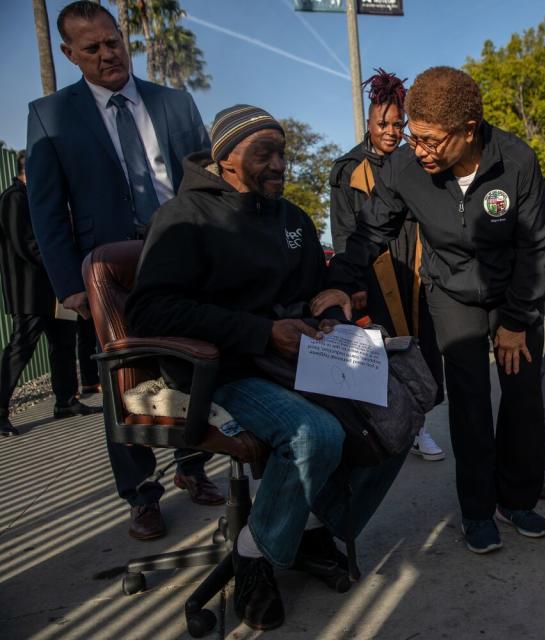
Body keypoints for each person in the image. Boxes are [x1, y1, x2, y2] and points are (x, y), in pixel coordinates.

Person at [125, 105, 407, 630]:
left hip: (297, 358)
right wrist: (259, 333)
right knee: (315, 434)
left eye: (282, 152)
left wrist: (329, 302)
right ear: (226, 159)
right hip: (225, 369)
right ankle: (254, 554)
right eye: (264, 154)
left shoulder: (292, 220)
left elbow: (305, 295)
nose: (279, 164)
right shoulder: (184, 218)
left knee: (398, 407)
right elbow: (149, 309)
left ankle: (310, 526)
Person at [330, 66, 545, 554]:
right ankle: (477, 510)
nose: (419, 149)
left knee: (521, 395)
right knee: (470, 402)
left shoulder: (516, 161)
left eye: (432, 141)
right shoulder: (407, 169)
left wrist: (517, 322)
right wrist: (336, 285)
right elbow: (370, 232)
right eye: (415, 135)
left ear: (468, 131)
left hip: (513, 290)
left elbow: (538, 247)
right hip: (452, 295)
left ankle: (517, 500)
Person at [26, 1, 219, 540]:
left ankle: (192, 465)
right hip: (108, 273)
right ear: (69, 54)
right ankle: (141, 495)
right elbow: (46, 209)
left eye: (112, 41)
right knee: (126, 379)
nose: (107, 54)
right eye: (92, 48)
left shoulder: (175, 104)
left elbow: (208, 186)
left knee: (190, 366)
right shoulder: (50, 116)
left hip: (180, 259)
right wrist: (69, 285)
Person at [329, 68, 445, 462]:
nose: (392, 132)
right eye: (384, 123)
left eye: (399, 124)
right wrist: (352, 283)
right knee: (376, 355)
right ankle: (375, 431)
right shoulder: (348, 169)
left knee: (420, 352)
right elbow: (345, 229)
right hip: (373, 276)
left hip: (413, 272)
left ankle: (419, 427)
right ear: (369, 122)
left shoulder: (414, 162)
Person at [0, 151, 99, 437]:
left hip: (56, 287)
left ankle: (66, 401)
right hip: (29, 290)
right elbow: (26, 245)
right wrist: (62, 263)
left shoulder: (39, 199)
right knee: (21, 348)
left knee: (64, 343)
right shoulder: (14, 198)